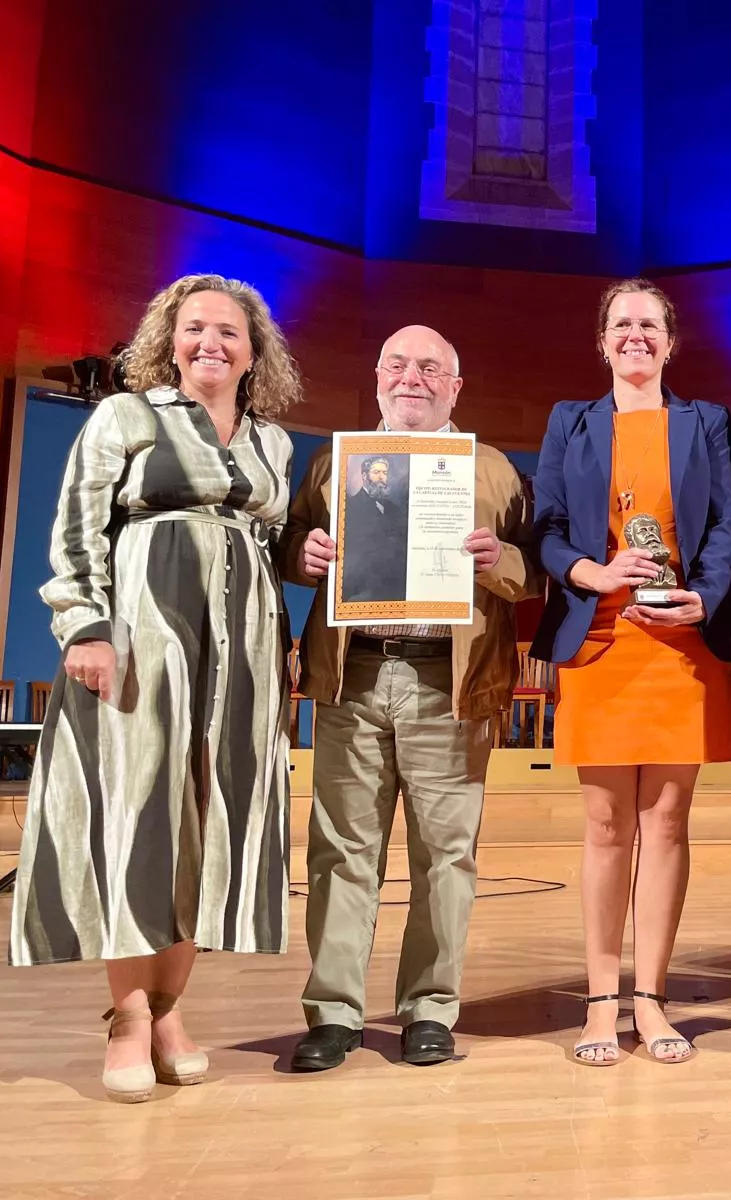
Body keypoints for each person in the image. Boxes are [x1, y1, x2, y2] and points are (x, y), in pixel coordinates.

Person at [9, 273, 302, 1104]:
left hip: (243, 659)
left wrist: (293, 605)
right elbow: (77, 529)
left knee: (211, 826)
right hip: (144, 644)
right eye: (195, 328)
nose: (211, 342)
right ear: (169, 341)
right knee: (138, 818)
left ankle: (171, 1008)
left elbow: (268, 546)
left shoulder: (274, 444)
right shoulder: (126, 417)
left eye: (229, 332)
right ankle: (129, 1017)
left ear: (254, 352)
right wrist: (86, 627)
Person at [282, 325, 539, 1071]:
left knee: (446, 858)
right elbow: (289, 545)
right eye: (397, 364)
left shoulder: (493, 469)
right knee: (340, 852)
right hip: (353, 676)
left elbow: (535, 571)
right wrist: (303, 554)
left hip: (448, 684)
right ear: (377, 377)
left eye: (430, 368)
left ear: (455, 387)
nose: (412, 378)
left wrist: (499, 560)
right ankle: (334, 1012)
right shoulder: (334, 462)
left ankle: (430, 1007)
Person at [531, 278, 731, 1066]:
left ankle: (651, 998)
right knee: (604, 823)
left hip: (681, 642)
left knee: (667, 822)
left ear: (670, 340)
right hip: (602, 636)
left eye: (649, 324)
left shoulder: (706, 420)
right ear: (602, 340)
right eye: (621, 324)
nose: (636, 335)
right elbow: (546, 526)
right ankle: (599, 1000)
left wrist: (704, 596)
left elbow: (725, 523)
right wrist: (592, 572)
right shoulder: (570, 420)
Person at [339, 454, 409, 601]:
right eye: (376, 472)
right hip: (361, 593)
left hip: (394, 591)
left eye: (384, 473)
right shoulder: (349, 508)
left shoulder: (394, 510)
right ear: (364, 476)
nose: (381, 477)